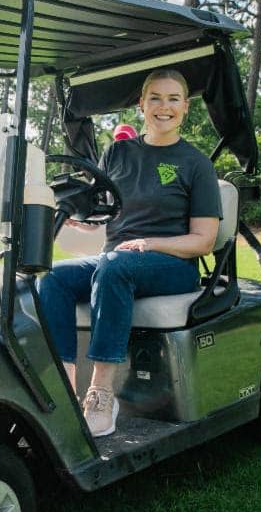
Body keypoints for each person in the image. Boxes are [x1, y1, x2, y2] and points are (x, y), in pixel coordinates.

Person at [37, 68, 221, 436]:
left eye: (173, 99)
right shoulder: (117, 152)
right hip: (117, 259)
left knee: (114, 266)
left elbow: (203, 240)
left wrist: (151, 244)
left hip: (172, 263)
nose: (164, 107)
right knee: (55, 277)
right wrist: (83, 222)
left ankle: (102, 393)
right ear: (142, 104)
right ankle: (65, 391)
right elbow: (107, 215)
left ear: (186, 106)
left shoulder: (196, 164)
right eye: (155, 98)